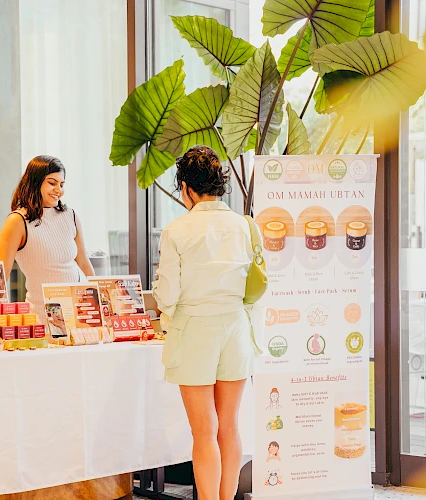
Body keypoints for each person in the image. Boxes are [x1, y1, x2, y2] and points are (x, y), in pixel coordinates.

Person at [152, 146, 262, 500]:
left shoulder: (177, 231)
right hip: (235, 330)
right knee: (228, 426)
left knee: (204, 431)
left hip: (195, 333)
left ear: (185, 187)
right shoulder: (244, 226)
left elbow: (167, 295)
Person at [0, 155, 94, 321]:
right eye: (52, 183)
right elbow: (0, 276)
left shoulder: (70, 215)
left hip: (80, 312)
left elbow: (83, 262)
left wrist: (103, 301)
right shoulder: (17, 221)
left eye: (62, 184)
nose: (58, 190)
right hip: (41, 316)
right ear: (35, 182)